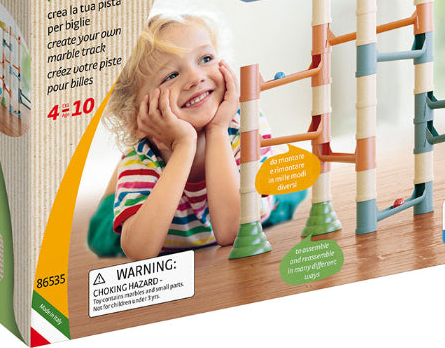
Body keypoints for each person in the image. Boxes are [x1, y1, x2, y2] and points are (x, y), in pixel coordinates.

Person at [88, 13, 305, 260]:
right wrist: (183, 145)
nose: (195, 77)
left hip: (257, 203)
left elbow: (234, 230)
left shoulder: (245, 122)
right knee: (101, 235)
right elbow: (139, 251)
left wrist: (218, 129)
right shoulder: (142, 160)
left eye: (205, 59)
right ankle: (116, 185)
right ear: (136, 118)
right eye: (170, 76)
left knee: (290, 192)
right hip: (151, 211)